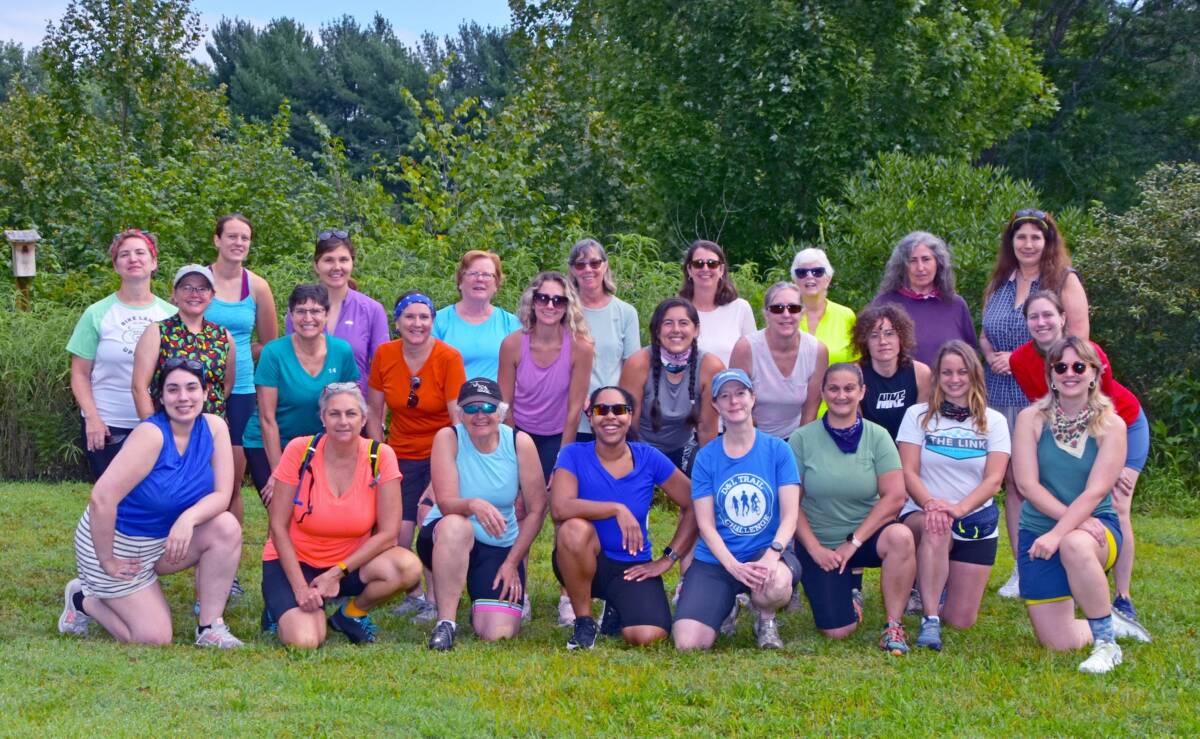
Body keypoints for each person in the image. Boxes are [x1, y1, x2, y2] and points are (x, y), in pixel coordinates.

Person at [58, 358, 243, 647]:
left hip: (163, 542)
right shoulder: (151, 435)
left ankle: (210, 627)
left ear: (206, 392)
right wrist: (107, 560)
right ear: (160, 397)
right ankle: (83, 598)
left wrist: (188, 519)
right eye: (173, 390)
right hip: (115, 545)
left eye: (192, 388)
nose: (183, 397)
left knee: (226, 527)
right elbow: (101, 498)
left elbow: (223, 494)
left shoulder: (215, 427)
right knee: (153, 638)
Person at [1011, 337, 1150, 674]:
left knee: (1075, 544)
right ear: (1050, 376)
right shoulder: (1030, 418)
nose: (1069, 373)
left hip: (1094, 529)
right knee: (1058, 642)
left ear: (1094, 374)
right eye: (1061, 367)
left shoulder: (1112, 424)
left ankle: (1107, 644)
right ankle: (1108, 620)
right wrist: (1064, 526)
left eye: (1079, 366)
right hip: (1040, 532)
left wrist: (1062, 532)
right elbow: (1027, 485)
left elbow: (1095, 491)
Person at [981, 208, 1089, 598]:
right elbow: (985, 331)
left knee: (1052, 479)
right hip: (999, 395)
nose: (1027, 244)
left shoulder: (1064, 280)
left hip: (1047, 395)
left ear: (1048, 242)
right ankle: (1023, 567)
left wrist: (1019, 358)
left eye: (1035, 237)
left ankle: (1070, 554)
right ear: (1011, 243)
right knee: (1014, 481)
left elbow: (1079, 344)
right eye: (1020, 237)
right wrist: (993, 353)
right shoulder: (999, 282)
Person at [262, 383, 423, 647]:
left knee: (408, 567)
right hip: (295, 560)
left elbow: (389, 534)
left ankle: (351, 614)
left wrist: (336, 573)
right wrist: (301, 588)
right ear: (323, 418)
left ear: (364, 419)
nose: (343, 421)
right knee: (305, 641)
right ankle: (278, 607)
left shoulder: (380, 456)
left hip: (348, 565)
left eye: (351, 414)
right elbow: (278, 526)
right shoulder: (299, 450)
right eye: (334, 414)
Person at [551, 386, 698, 650]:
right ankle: (584, 622)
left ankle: (616, 608)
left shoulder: (648, 457)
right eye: (601, 410)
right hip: (583, 560)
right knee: (573, 529)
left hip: (632, 565)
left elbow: (694, 504)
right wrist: (616, 508)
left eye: (619, 410)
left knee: (648, 636)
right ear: (590, 417)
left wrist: (668, 559)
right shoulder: (573, 454)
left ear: (630, 417)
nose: (610, 417)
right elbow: (560, 508)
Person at [789, 363, 917, 655]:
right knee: (837, 631)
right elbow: (790, 502)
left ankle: (893, 624)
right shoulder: (801, 439)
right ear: (822, 393)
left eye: (849, 388)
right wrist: (813, 548)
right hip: (821, 543)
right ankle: (849, 596)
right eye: (833, 388)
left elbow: (895, 496)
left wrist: (854, 542)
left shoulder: (878, 436)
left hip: (866, 536)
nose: (841, 395)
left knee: (901, 536)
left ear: (862, 392)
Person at [673, 369, 801, 651]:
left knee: (778, 582)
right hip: (718, 560)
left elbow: (791, 515)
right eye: (725, 396)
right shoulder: (706, 457)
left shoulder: (779, 450)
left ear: (753, 398)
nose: (734, 402)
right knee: (688, 643)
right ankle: (727, 603)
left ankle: (765, 618)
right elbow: (705, 525)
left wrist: (772, 554)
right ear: (716, 406)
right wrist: (731, 565)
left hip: (763, 554)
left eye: (741, 393)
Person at [896, 341, 1010, 651]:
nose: (955, 379)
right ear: (937, 377)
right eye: (947, 372)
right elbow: (908, 471)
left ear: (974, 375)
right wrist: (932, 504)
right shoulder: (918, 415)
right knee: (937, 526)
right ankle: (929, 619)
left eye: (962, 372)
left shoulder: (994, 420)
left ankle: (936, 585)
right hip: (923, 512)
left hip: (974, 518)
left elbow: (994, 480)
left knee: (961, 620)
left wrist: (959, 508)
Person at [420, 378, 549, 650]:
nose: (480, 415)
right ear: (460, 413)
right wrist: (473, 504)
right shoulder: (449, 437)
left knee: (498, 633)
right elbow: (445, 503)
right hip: (445, 534)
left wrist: (513, 562)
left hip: (498, 543)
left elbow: (538, 509)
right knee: (458, 526)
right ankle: (446, 623)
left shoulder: (519, 442)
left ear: (501, 411)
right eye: (471, 408)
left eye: (488, 407)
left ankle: (480, 602)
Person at [68, 229, 177, 480]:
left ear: (154, 262)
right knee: (109, 501)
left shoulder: (171, 315)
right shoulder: (97, 313)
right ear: (116, 266)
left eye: (141, 253)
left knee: (155, 499)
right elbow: (79, 373)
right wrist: (92, 418)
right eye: (124, 254)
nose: (133, 259)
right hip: (108, 426)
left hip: (159, 423)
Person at [368, 291, 466, 559]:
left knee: (429, 522)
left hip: (440, 452)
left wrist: (447, 470)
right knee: (398, 530)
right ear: (396, 322)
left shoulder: (448, 357)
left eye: (424, 317)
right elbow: (374, 412)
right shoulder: (384, 354)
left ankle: (436, 596)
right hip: (399, 451)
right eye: (409, 316)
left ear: (433, 321)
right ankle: (411, 593)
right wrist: (377, 457)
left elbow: (457, 419)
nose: (417, 323)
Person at [243, 284, 359, 501]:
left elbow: (349, 408)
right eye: (301, 311)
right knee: (281, 506)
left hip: (319, 445)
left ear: (326, 314)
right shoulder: (273, 352)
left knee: (313, 510)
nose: (308, 318)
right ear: (290, 314)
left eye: (315, 311)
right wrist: (279, 472)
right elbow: (267, 418)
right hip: (270, 443)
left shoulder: (342, 351)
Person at [204, 214, 277, 535]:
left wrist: (238, 354)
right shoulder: (198, 281)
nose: (238, 243)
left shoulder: (257, 286)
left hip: (244, 390)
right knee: (203, 475)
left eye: (244, 238)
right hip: (198, 391)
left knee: (230, 479)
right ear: (217, 240)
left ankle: (227, 563)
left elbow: (269, 343)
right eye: (231, 236)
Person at [498, 271, 595, 484]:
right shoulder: (511, 344)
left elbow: (574, 411)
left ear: (568, 306)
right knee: (519, 497)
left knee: (551, 497)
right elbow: (505, 405)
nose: (550, 306)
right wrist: (513, 446)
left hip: (557, 433)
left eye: (559, 300)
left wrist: (563, 458)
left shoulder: (581, 348)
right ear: (532, 302)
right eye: (543, 298)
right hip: (519, 429)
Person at [620, 298, 724, 474]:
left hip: (684, 447)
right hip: (642, 447)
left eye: (684, 323)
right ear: (657, 330)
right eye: (668, 323)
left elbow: (707, 430)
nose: (676, 330)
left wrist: (709, 474)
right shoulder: (637, 364)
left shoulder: (710, 366)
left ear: (696, 330)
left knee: (703, 476)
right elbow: (628, 426)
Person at [285, 230, 389, 399]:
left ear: (352, 264)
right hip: (306, 411)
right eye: (328, 260)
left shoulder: (372, 310)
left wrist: (378, 420)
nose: (336, 267)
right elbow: (289, 365)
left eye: (343, 260)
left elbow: (384, 372)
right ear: (316, 265)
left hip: (354, 415)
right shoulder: (299, 311)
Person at [132, 264, 235, 420]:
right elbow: (139, 387)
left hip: (211, 429)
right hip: (167, 428)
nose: (195, 294)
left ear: (212, 296)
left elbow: (225, 386)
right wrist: (152, 428)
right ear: (175, 293)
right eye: (187, 288)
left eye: (202, 289)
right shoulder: (157, 332)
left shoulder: (223, 336)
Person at [729, 281, 826, 439]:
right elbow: (736, 404)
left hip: (796, 437)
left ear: (802, 312)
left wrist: (797, 448)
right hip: (750, 436)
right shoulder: (745, 349)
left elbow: (811, 410)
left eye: (793, 308)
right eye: (777, 309)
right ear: (766, 313)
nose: (786, 314)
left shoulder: (817, 351)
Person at [567, 238, 641, 443]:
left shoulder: (626, 312)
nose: (588, 269)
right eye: (580, 265)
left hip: (612, 419)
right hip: (572, 419)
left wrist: (619, 408)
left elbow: (632, 370)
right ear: (572, 270)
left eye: (594, 263)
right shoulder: (563, 312)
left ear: (605, 265)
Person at [874, 231, 978, 366]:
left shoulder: (956, 304)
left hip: (947, 386)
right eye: (912, 261)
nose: (920, 268)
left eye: (926, 259)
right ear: (902, 267)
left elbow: (971, 355)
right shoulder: (883, 304)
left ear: (938, 263)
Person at [432, 250, 521, 381]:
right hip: (450, 400)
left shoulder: (512, 324)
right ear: (460, 281)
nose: (480, 279)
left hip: (498, 400)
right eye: (473, 273)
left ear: (496, 284)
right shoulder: (437, 322)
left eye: (487, 275)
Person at [852, 304, 932, 440]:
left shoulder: (921, 373)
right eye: (874, 335)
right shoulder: (854, 374)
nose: (883, 341)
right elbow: (855, 428)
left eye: (889, 334)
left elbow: (922, 427)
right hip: (868, 448)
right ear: (864, 341)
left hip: (909, 448)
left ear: (901, 337)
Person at [679, 240, 756, 367]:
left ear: (721, 270)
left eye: (712, 264)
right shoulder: (676, 311)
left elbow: (753, 359)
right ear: (689, 270)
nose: (705, 268)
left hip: (730, 386)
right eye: (698, 264)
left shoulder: (740, 308)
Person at [791, 247, 858, 365]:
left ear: (828, 279)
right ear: (794, 280)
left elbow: (856, 363)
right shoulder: (785, 316)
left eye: (817, 272)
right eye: (802, 273)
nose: (810, 276)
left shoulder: (846, 315)